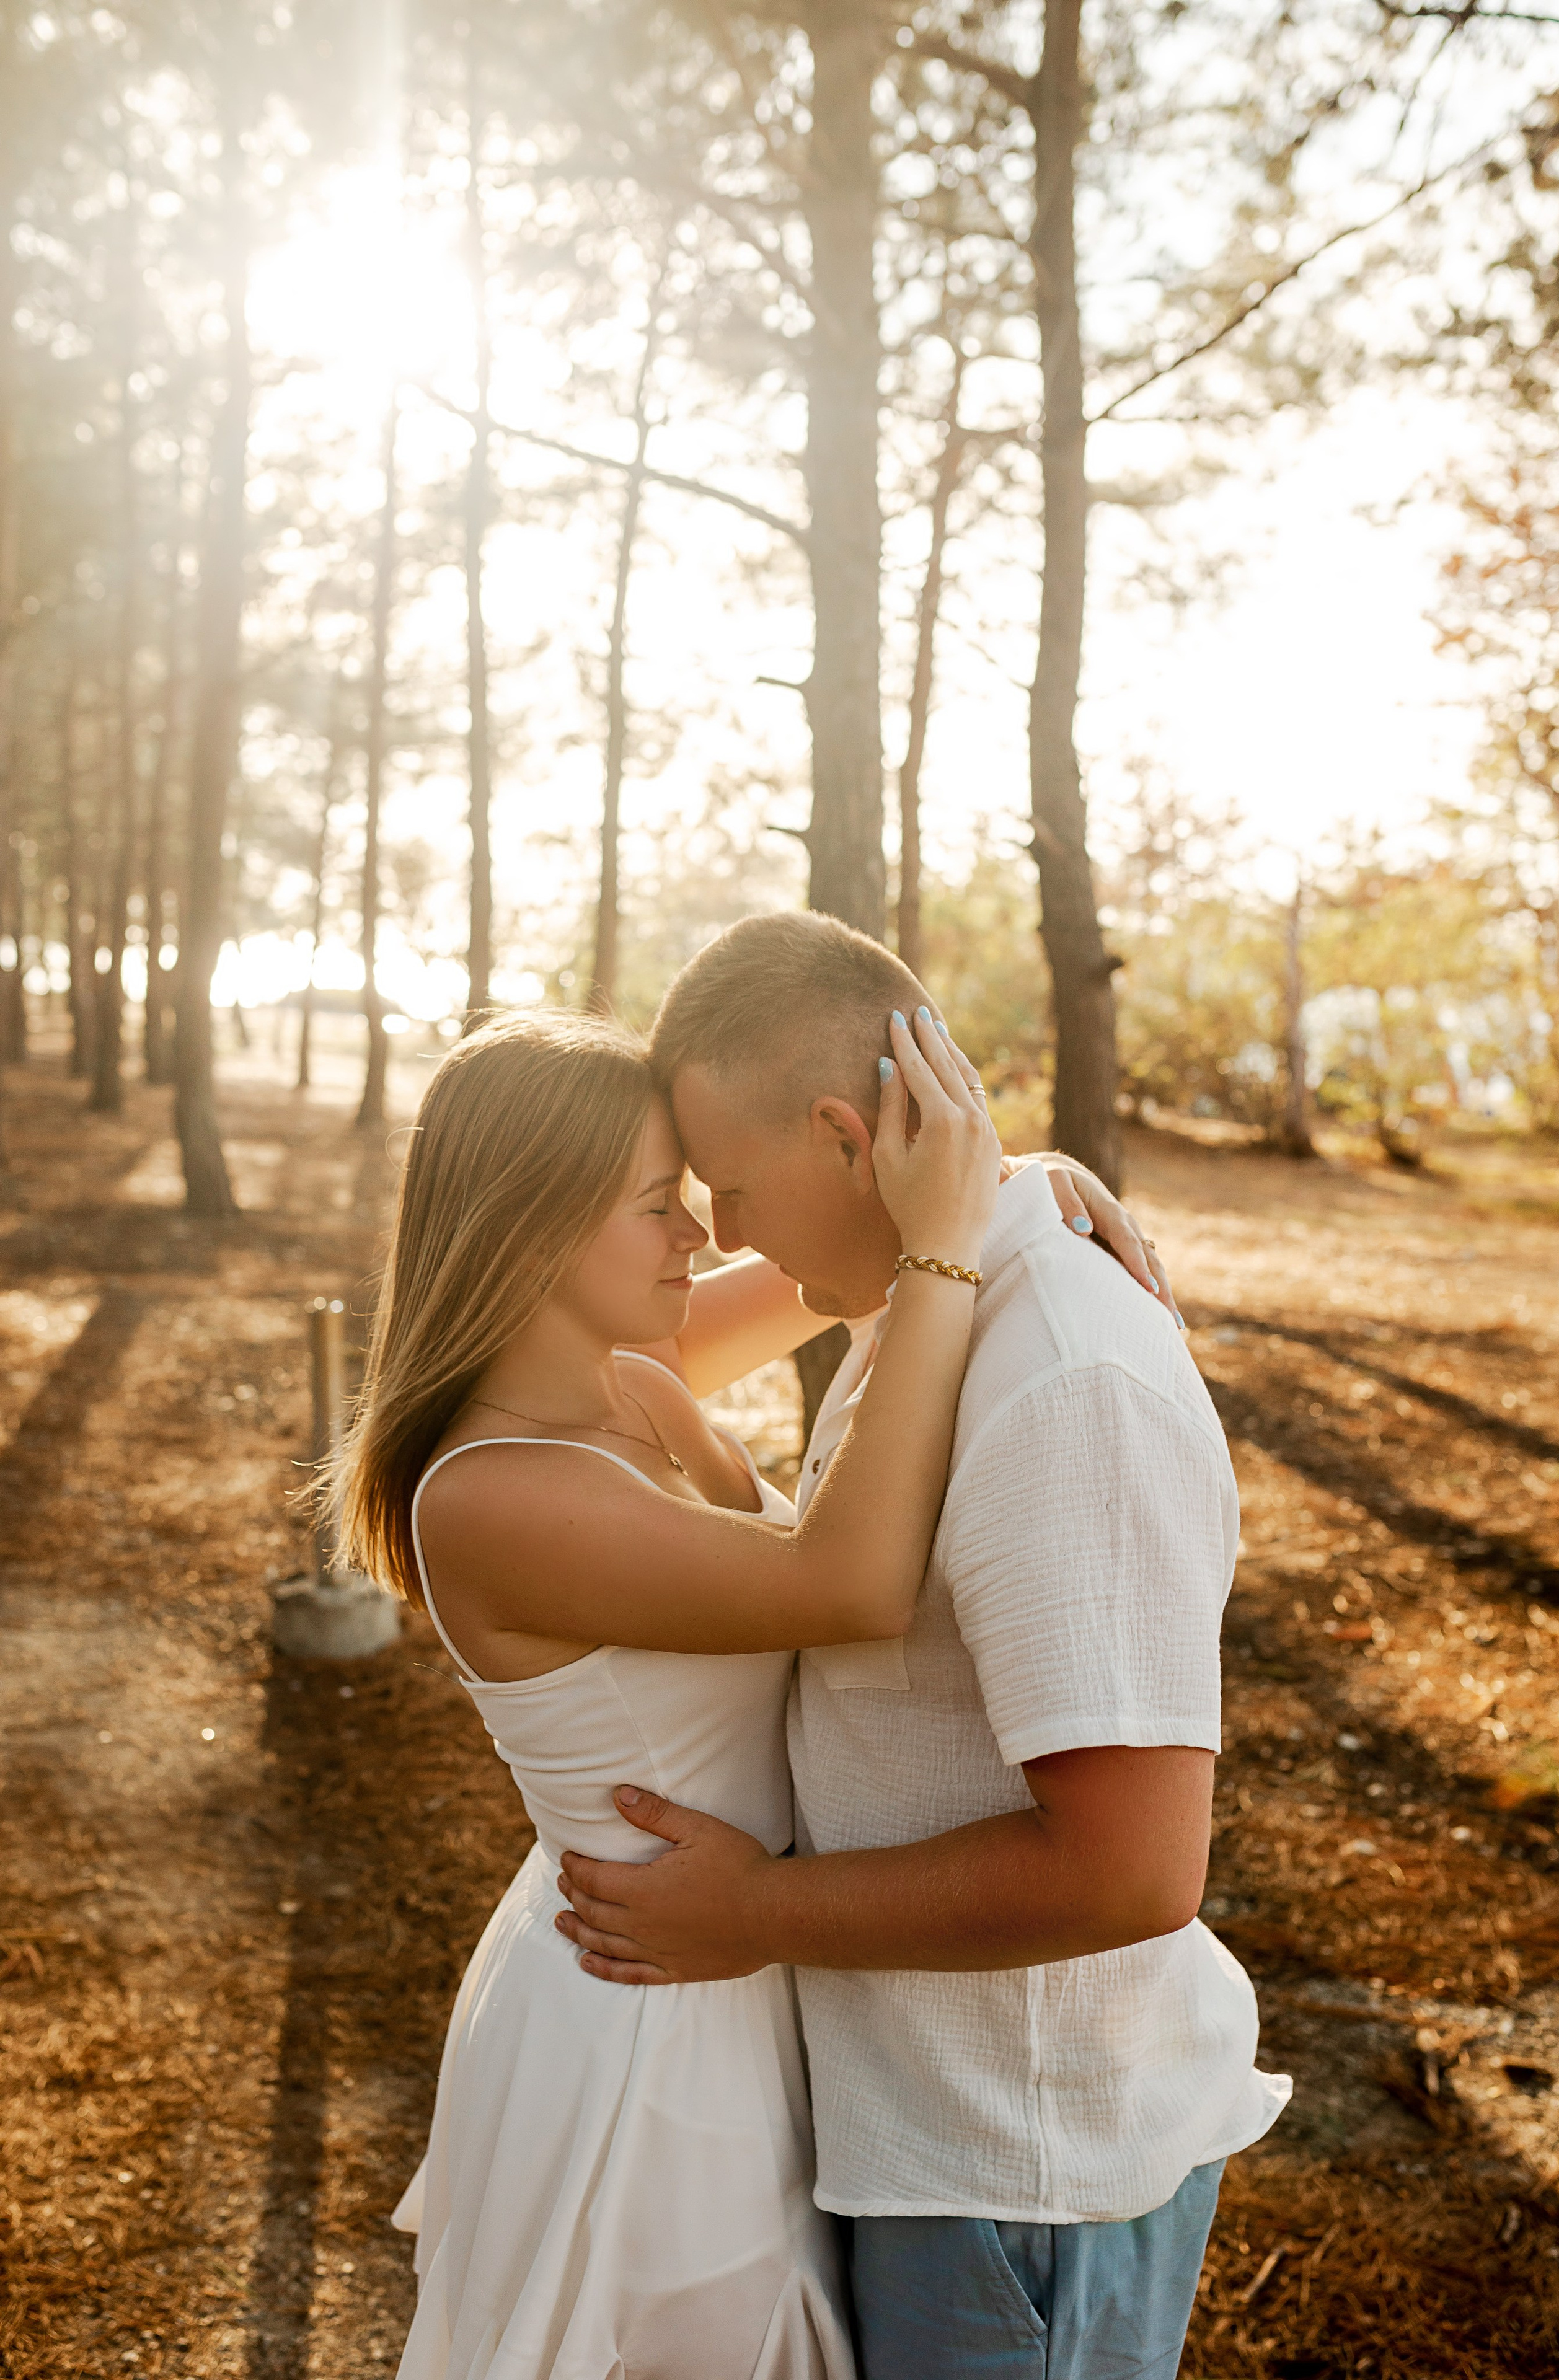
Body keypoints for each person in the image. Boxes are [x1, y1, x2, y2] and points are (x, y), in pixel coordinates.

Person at [335, 1001, 1137, 2380]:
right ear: (532, 1230)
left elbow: (840, 1254)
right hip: (645, 2025)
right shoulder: (493, 1494)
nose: (700, 1236)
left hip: (730, 1961)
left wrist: (1016, 1179)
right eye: (659, 1206)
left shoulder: (629, 1375)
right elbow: (849, 1583)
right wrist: (951, 1255)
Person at [554, 911, 1292, 2380]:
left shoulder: (1058, 1373)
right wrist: (1007, 1182)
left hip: (1020, 2172)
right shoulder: (934, 1299)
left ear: (846, 1134)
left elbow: (1131, 1870)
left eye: (732, 1190)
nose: (727, 1237)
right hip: (936, 2140)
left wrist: (756, 1915)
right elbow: (601, 1351)